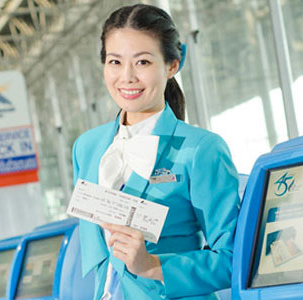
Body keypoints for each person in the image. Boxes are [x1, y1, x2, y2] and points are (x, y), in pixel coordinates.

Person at [71, 4, 240, 299]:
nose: (127, 77)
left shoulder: (201, 150)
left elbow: (234, 259)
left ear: (172, 65)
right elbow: (101, 262)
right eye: (114, 62)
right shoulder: (87, 147)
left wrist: (152, 266)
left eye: (143, 62)